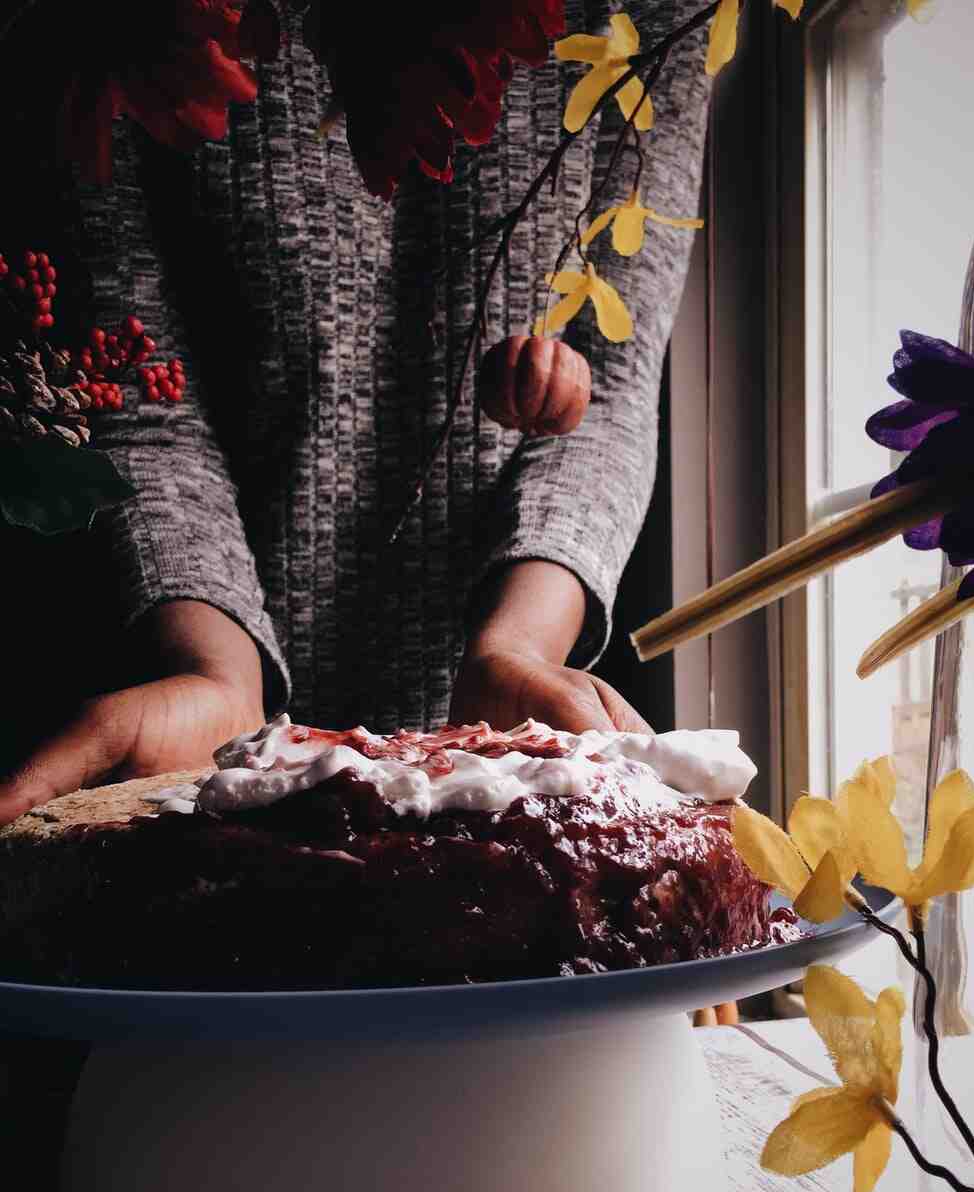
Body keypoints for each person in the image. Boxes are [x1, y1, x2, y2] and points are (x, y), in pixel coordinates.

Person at [0, 1, 713, 826]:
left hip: (512, 764)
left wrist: (519, 647)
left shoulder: (654, 10)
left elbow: (613, 376)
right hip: (182, 765)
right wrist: (220, 677)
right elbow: (129, 382)